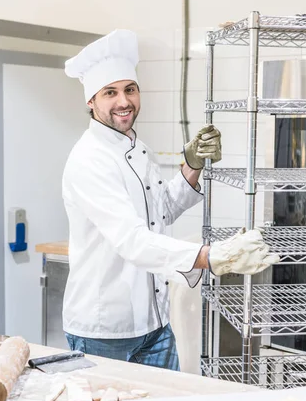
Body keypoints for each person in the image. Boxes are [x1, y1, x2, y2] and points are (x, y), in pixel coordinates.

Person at [62, 29, 278, 370]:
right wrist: (212, 256)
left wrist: (192, 165)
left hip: (155, 323)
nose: (124, 102)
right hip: (104, 330)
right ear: (91, 101)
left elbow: (160, 213)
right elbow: (132, 241)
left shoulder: (136, 147)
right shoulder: (90, 159)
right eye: (110, 93)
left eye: (130, 89)